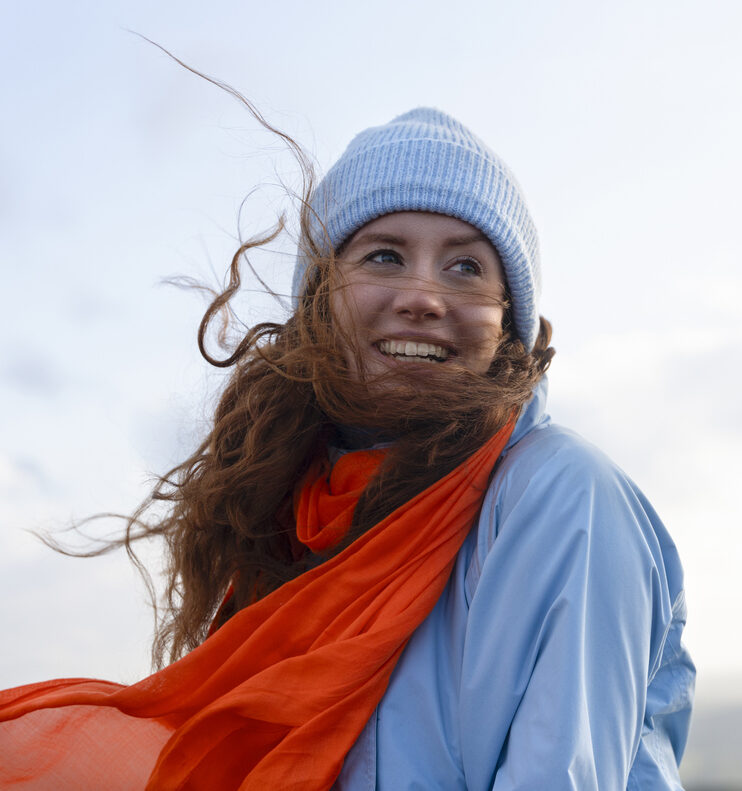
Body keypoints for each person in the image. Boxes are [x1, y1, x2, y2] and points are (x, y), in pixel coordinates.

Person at [0, 107, 694, 789]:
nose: (423, 295)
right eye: (385, 255)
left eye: (465, 267)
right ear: (318, 301)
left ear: (506, 318)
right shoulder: (293, 510)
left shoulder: (560, 494)